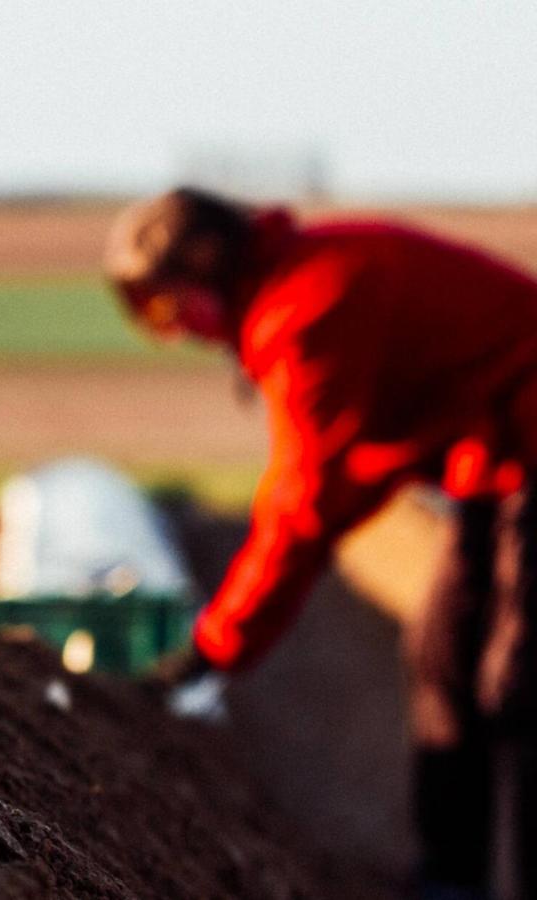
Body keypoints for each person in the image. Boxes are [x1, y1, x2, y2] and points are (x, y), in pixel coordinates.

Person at [106, 187, 537, 900]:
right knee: (442, 654)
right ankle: (451, 880)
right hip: (493, 462)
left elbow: (307, 501)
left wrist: (216, 646)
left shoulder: (309, 306)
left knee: (518, 684)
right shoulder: (299, 287)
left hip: (519, 453)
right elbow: (356, 469)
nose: (176, 331)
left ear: (209, 263)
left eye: (167, 306)